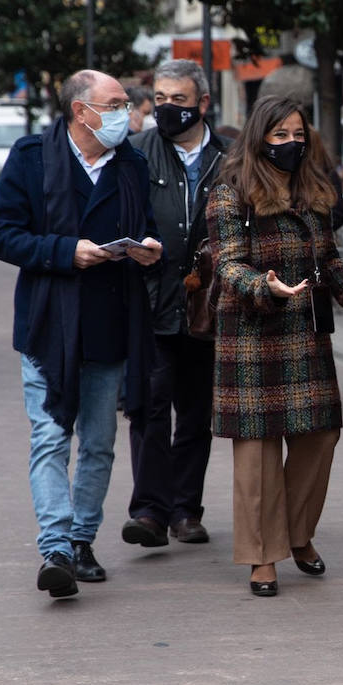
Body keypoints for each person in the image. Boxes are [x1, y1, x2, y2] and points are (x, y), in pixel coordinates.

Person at [0, 70, 163, 598]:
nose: (125, 112)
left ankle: (82, 539)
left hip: (110, 322)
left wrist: (150, 252)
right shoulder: (32, 157)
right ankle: (56, 548)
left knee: (100, 443)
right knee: (49, 437)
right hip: (48, 324)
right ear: (81, 111)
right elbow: (2, 234)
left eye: (126, 103)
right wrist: (67, 252)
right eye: (114, 104)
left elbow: (147, 226)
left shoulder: (130, 162)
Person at [206, 95, 343, 596]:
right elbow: (228, 264)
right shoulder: (230, 191)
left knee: (319, 438)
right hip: (251, 338)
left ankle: (298, 534)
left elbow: (328, 257)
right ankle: (262, 557)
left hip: (305, 335)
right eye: (280, 135)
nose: (291, 143)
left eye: (298, 134)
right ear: (261, 137)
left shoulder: (314, 189)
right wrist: (265, 287)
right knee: (256, 453)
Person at [123, 60, 228, 549]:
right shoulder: (138, 153)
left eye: (178, 101)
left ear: (203, 104)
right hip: (151, 302)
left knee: (194, 412)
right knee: (148, 407)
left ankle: (186, 511)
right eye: (160, 100)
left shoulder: (229, 159)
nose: (167, 109)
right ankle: (149, 512)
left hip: (208, 307)